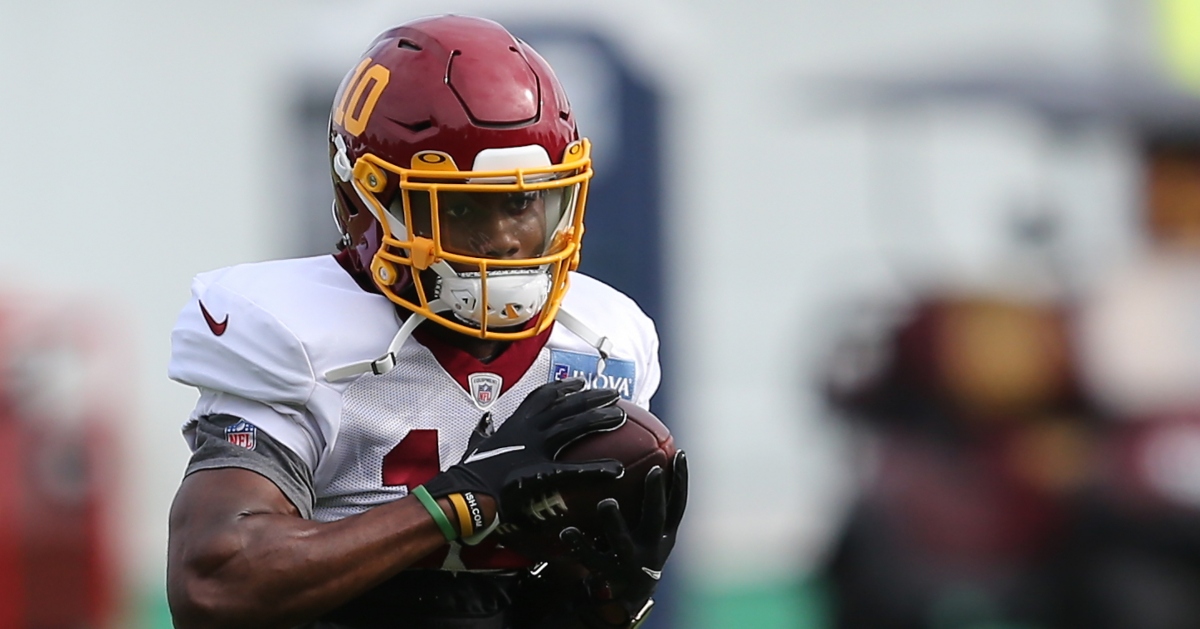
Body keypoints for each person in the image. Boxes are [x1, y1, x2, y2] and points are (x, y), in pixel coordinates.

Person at [164, 14, 687, 629]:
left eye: (521, 202)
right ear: (364, 202)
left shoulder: (600, 338)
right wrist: (466, 498)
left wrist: (604, 597)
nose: (505, 240)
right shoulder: (295, 333)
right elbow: (215, 583)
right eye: (461, 205)